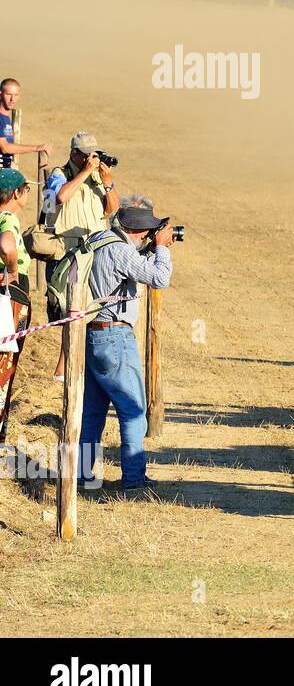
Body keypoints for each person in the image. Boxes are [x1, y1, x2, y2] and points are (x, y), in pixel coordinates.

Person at [80, 203, 175, 494]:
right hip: (115, 336)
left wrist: (149, 248)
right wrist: (162, 249)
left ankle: (84, 476)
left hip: (94, 334)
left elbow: (126, 266)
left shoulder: (100, 239)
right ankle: (133, 479)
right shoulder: (121, 250)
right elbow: (160, 278)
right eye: (146, 233)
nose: (148, 237)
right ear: (135, 231)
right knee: (133, 411)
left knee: (92, 413)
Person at [44, 134, 121, 381]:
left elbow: (113, 209)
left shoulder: (98, 176)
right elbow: (61, 197)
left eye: (94, 153)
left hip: (95, 249)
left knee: (93, 308)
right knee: (71, 310)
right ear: (74, 153)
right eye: (87, 154)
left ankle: (78, 368)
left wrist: (107, 183)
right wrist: (85, 172)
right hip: (70, 252)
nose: (92, 158)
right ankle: (63, 369)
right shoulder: (60, 173)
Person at [0, 168, 33, 386]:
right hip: (10, 295)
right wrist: (13, 270)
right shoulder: (8, 218)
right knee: (6, 358)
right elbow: (7, 245)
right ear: (16, 193)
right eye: (26, 189)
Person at [0, 78, 50, 170]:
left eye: (15, 95)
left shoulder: (6, 118)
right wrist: (37, 148)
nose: (12, 99)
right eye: (8, 94)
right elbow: (5, 148)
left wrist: (9, 163)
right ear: (0, 94)